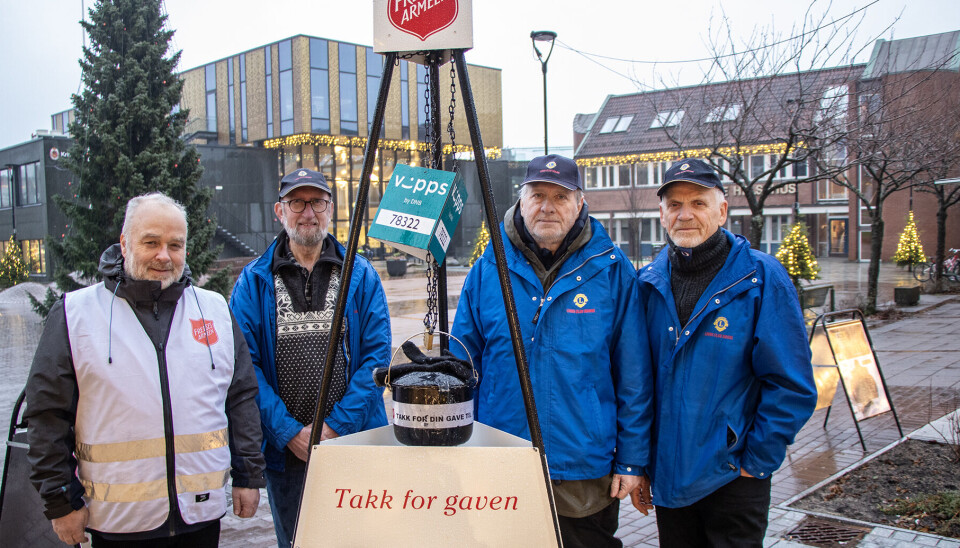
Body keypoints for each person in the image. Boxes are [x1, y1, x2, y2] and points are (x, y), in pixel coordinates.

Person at [25, 192, 265, 547]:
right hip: (118, 523)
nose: (164, 256)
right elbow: (47, 415)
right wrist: (60, 501)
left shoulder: (214, 310)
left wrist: (248, 475)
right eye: (151, 242)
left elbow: (241, 397)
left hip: (199, 517)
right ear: (124, 244)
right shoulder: (75, 315)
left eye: (175, 245)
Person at [451, 154, 654, 547]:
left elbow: (635, 376)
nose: (548, 206)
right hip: (503, 459)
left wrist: (632, 460)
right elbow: (463, 364)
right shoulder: (488, 269)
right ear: (521, 200)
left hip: (582, 467)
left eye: (561, 196)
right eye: (538, 195)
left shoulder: (612, 271)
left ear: (579, 203)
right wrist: (459, 444)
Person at [632, 158, 817, 546]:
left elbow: (791, 384)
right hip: (670, 477)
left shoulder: (761, 278)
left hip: (732, 475)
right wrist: (640, 463)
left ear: (722, 211)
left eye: (698, 203)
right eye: (675, 205)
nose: (685, 215)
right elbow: (638, 384)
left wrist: (756, 461)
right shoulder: (648, 283)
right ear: (662, 214)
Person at [230, 168, 390, 547]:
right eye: (297, 203)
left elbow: (376, 358)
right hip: (288, 456)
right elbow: (245, 368)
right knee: (298, 541)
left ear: (330, 209)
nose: (308, 213)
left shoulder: (360, 274)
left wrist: (334, 428)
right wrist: (289, 433)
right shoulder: (253, 282)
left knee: (361, 540)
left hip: (353, 443)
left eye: (317, 202)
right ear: (279, 211)